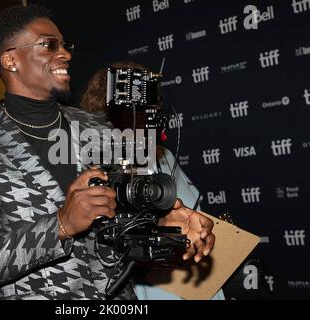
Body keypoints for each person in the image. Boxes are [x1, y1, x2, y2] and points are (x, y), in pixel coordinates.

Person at [0, 4, 215, 300]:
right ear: (10, 60)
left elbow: (123, 236)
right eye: (50, 45)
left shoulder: (99, 129)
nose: (66, 54)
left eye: (65, 45)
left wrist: (166, 231)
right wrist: (61, 224)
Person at [80, 63, 225, 300]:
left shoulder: (163, 155)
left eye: (152, 105)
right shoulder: (89, 164)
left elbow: (191, 215)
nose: (150, 116)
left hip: (196, 283)